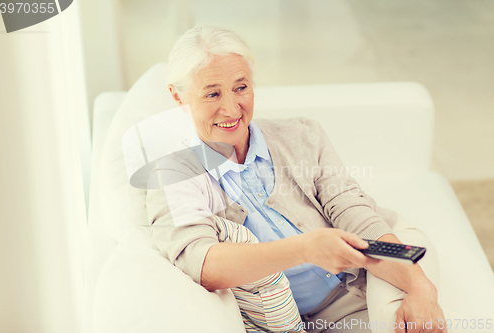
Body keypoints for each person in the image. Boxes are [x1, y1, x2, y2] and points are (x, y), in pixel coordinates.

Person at [146, 25, 447, 333]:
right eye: (212, 93)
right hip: (281, 320)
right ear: (178, 97)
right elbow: (203, 263)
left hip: (359, 287)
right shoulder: (172, 176)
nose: (231, 108)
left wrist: (421, 287)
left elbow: (353, 213)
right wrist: (304, 249)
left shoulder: (302, 135)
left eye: (241, 87)